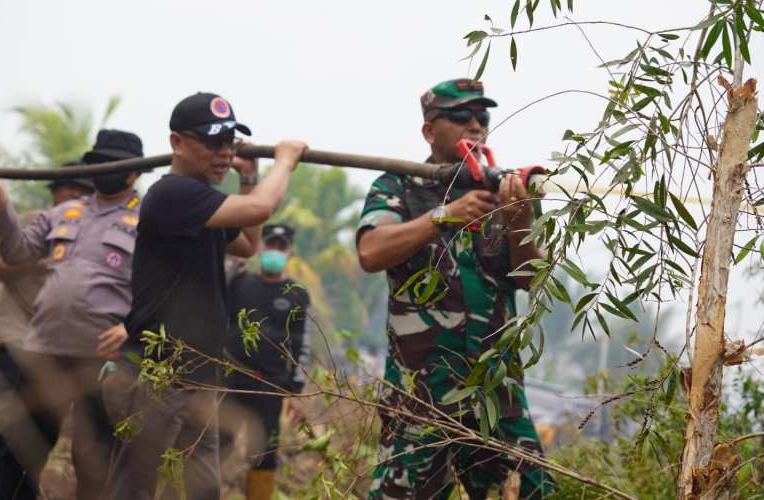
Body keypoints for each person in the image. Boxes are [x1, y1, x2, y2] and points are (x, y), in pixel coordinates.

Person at [101, 92, 307, 500]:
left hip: (196, 380)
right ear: (177, 142)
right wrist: (284, 161)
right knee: (132, 490)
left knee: (202, 490)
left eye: (230, 142)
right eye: (213, 142)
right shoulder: (173, 195)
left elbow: (248, 243)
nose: (225, 152)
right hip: (156, 376)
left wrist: (248, 175)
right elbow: (261, 210)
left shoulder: (204, 204)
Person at [356, 78, 553, 500]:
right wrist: (443, 215)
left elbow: (531, 280)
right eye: (461, 115)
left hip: (496, 392)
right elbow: (371, 252)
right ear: (429, 130)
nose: (475, 125)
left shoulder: (502, 190)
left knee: (530, 491)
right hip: (422, 394)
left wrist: (520, 220)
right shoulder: (398, 187)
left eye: (482, 116)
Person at [0, 129, 146, 500]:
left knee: (97, 458)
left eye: (114, 163)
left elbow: (161, 286)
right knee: (18, 450)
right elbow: (17, 252)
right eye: (97, 162)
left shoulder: (149, 221)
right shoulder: (65, 213)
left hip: (104, 359)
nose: (104, 169)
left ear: (135, 173)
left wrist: (134, 328)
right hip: (44, 351)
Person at [0, 163, 94, 500]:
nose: (75, 194)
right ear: (54, 191)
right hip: (15, 344)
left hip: (55, 356)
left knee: (39, 443)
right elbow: (0, 267)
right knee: (2, 442)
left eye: (83, 190)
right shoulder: (32, 222)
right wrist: (46, 261)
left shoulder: (89, 234)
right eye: (67, 187)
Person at [219, 223, 313, 500]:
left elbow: (301, 344)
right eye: (270, 245)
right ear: (260, 248)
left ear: (290, 253)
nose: (274, 251)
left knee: (264, 452)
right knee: (217, 443)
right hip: (230, 377)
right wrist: (227, 275)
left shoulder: (297, 294)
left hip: (271, 383)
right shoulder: (239, 282)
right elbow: (216, 315)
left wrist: (295, 393)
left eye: (280, 247)